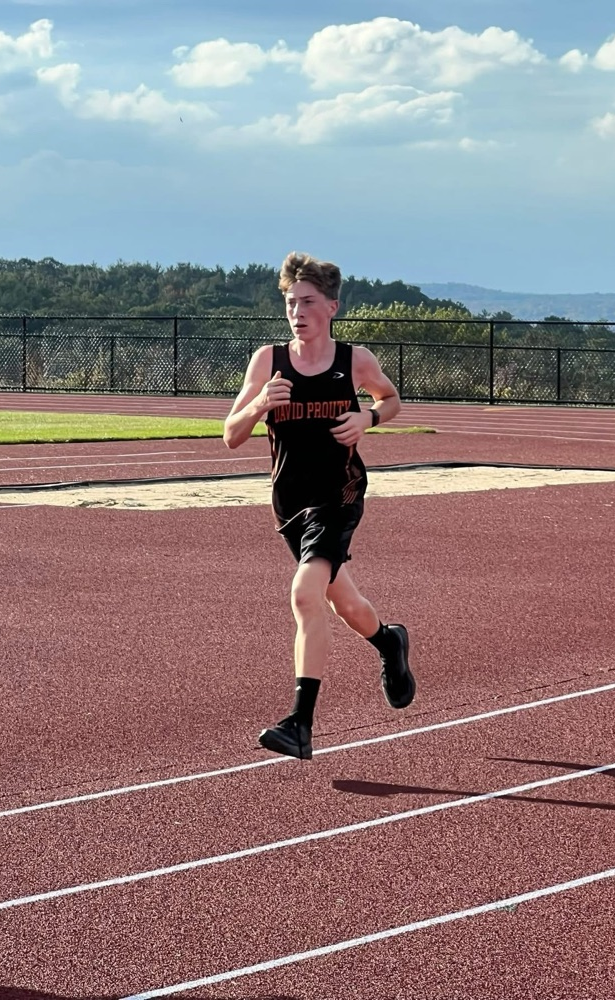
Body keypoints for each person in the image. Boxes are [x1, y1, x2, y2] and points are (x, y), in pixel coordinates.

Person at [223, 251, 415, 760]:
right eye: (290, 302)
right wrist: (261, 403)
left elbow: (392, 399)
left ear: (332, 306)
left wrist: (370, 419)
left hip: (341, 494)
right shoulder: (268, 361)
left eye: (307, 301)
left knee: (305, 594)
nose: (297, 311)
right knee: (341, 602)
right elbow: (230, 435)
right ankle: (390, 643)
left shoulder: (355, 360)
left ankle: (300, 725)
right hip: (291, 506)